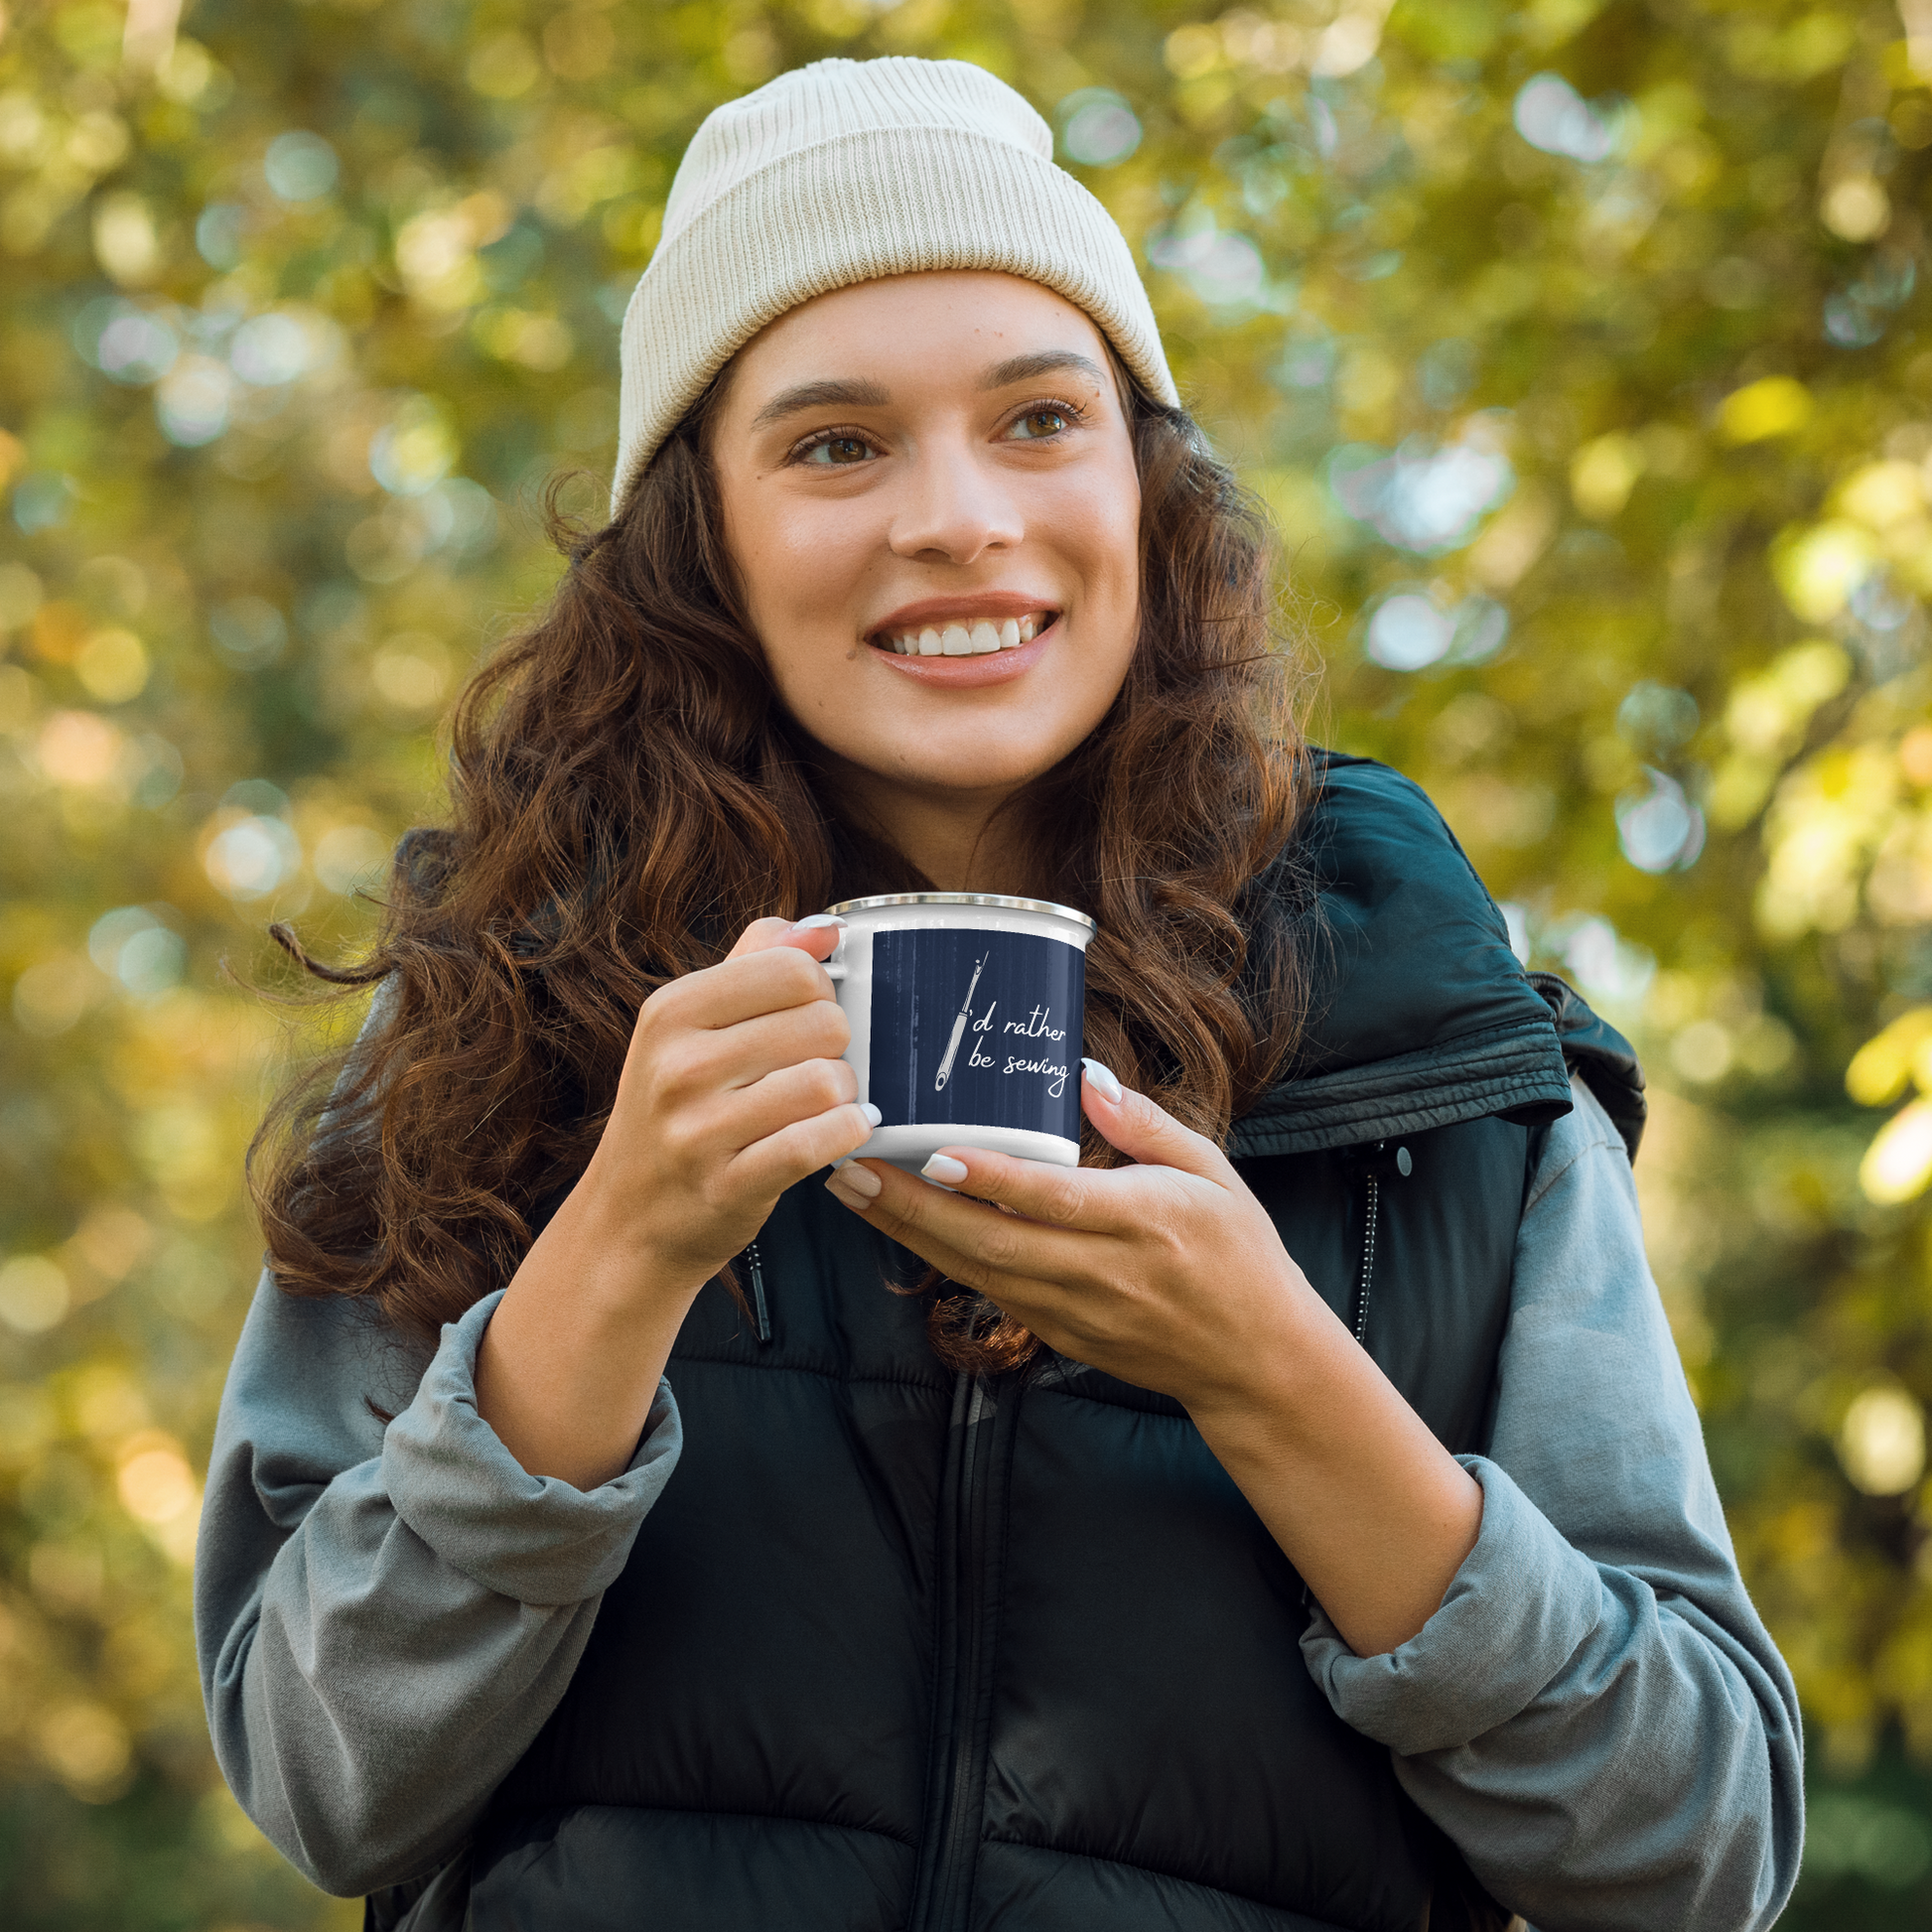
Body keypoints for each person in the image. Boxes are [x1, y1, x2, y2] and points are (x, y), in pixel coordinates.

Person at [196, 56, 1803, 1932]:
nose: (958, 517)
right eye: (834, 443)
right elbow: (320, 1784)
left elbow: (1698, 1852)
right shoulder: (499, 1022)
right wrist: (616, 1251)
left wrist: (1270, 1369)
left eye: (1039, 418)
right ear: (700, 537)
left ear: (1145, 483)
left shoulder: (1433, 1059)